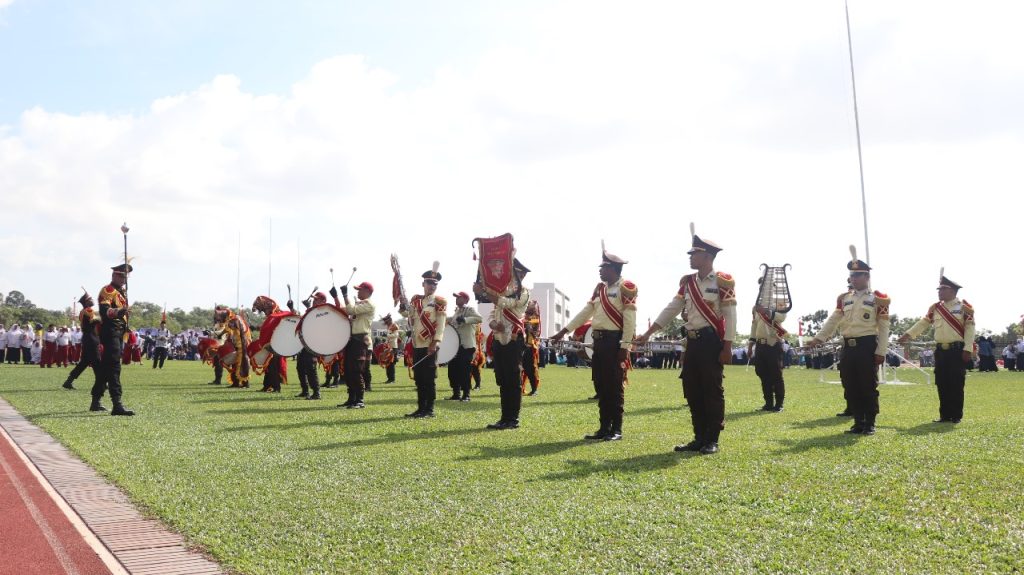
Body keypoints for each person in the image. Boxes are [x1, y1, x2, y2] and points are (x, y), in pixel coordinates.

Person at [636, 229, 735, 454]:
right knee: (692, 389)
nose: (690, 257)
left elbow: (730, 315)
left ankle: (712, 439)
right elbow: (672, 308)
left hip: (711, 342)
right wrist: (648, 332)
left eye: (695, 253)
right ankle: (698, 437)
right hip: (691, 343)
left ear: (708, 257)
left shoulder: (722, 281)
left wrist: (727, 346)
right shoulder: (687, 282)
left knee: (712, 389)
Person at [552, 243, 637, 441]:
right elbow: (585, 313)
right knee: (601, 385)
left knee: (614, 386)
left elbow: (630, 319)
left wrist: (625, 346)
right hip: (599, 343)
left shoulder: (626, 287)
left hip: (614, 342)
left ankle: (616, 429)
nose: (600, 271)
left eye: (603, 267)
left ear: (614, 269)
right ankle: (603, 427)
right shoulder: (600, 289)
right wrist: (564, 331)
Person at [807, 246, 890, 435]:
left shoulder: (878, 299)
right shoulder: (844, 299)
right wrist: (819, 338)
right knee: (850, 384)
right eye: (852, 276)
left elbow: (884, 328)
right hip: (848, 346)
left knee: (867, 385)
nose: (853, 279)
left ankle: (869, 422)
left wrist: (881, 351)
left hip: (867, 345)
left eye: (857, 275)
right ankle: (857, 421)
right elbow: (833, 320)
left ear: (867, 277)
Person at [898, 271, 974, 423]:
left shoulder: (964, 308)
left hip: (957, 349)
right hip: (941, 351)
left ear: (952, 290)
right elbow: (924, 323)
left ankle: (956, 415)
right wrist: (908, 334)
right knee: (942, 382)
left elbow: (970, 329)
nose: (939, 292)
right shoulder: (935, 308)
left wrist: (968, 348)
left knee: (956, 383)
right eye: (939, 289)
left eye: (942, 289)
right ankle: (945, 415)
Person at [477, 259, 531, 430]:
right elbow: (494, 312)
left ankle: (512, 419)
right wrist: (493, 323)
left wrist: (485, 291)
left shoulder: (523, 292)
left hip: (514, 338)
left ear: (521, 275)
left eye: (517, 273)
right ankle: (504, 417)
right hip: (499, 337)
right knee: (502, 378)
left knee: (513, 379)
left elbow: (507, 303)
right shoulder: (502, 291)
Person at [399, 262, 447, 418]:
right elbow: (408, 314)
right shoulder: (416, 300)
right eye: (429, 283)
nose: (431, 286)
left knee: (429, 377)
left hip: (429, 344)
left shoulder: (440, 302)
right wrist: (403, 305)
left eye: (434, 284)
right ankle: (421, 408)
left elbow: (441, 324)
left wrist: (436, 341)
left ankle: (429, 409)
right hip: (417, 343)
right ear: (423, 284)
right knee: (419, 377)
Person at [93, 262, 135, 416]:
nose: (124, 279)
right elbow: (105, 312)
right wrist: (121, 311)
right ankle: (117, 403)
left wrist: (126, 324)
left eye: (126, 277)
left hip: (119, 332)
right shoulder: (108, 290)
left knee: (106, 368)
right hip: (110, 331)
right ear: (114, 275)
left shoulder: (121, 292)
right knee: (114, 367)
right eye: (121, 276)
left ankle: (95, 400)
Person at [334, 281, 375, 409]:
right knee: (348, 370)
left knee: (356, 370)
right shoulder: (360, 304)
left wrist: (345, 295)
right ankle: (352, 398)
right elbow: (344, 310)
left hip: (360, 340)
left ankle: (360, 400)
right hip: (352, 340)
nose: (358, 292)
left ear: (368, 291)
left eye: (360, 289)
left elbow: (350, 309)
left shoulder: (369, 304)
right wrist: (336, 297)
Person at [748, 302, 788, 412]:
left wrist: (766, 311)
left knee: (776, 375)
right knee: (762, 374)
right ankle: (768, 403)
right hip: (760, 345)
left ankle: (779, 404)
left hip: (773, 343)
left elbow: (782, 317)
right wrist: (750, 346)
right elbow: (754, 326)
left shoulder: (778, 303)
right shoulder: (755, 307)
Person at [250, 295, 292, 395]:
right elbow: (266, 329)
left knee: (273, 366)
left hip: (276, 345)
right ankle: (267, 386)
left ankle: (276, 387)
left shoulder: (278, 316)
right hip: (270, 345)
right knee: (268, 366)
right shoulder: (271, 317)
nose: (266, 312)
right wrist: (255, 327)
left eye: (267, 309)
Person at [446, 291, 483, 401]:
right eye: (456, 298)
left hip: (466, 346)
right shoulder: (457, 311)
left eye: (459, 297)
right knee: (453, 370)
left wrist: (465, 319)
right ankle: (456, 393)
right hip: (455, 346)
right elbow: (451, 320)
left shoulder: (469, 309)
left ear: (466, 300)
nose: (457, 299)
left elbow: (479, 318)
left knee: (464, 371)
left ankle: (466, 394)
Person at [63, 292, 102, 390]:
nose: (92, 300)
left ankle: (69, 381)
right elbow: (98, 319)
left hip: (89, 338)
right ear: (86, 302)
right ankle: (102, 383)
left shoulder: (85, 311)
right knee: (97, 361)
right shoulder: (88, 310)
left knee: (84, 362)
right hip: (91, 339)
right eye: (90, 299)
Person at [288, 294, 324, 400]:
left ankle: (316, 392)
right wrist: (292, 308)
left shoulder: (323, 313)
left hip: (313, 344)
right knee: (300, 367)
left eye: (316, 300)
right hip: (304, 344)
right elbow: (300, 317)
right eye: (314, 300)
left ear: (322, 301)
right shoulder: (311, 311)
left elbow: (314, 321)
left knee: (310, 368)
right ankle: (305, 390)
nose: (313, 301)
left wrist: (309, 308)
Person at [215, 305, 252, 388]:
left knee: (242, 364)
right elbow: (225, 331)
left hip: (242, 345)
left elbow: (241, 332)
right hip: (236, 345)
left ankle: (245, 383)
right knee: (235, 365)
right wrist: (217, 333)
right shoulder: (231, 320)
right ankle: (236, 382)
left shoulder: (236, 319)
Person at [521, 300, 542, 396]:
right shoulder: (521, 315)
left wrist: (526, 322)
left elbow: (535, 331)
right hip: (518, 346)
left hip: (530, 346)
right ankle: (519, 388)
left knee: (530, 369)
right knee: (518, 369)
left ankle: (534, 389)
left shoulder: (535, 319)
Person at [381, 314, 400, 383]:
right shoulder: (389, 327)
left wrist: (387, 335)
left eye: (386, 321)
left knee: (391, 363)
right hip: (388, 346)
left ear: (390, 320)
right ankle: (389, 378)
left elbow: (396, 335)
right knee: (387, 363)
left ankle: (392, 379)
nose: (385, 322)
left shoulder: (394, 326)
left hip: (393, 347)